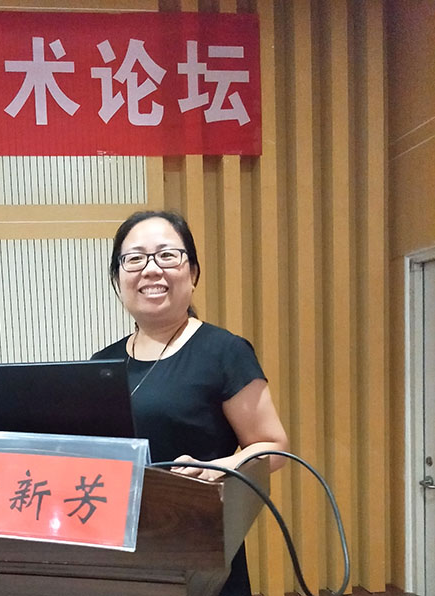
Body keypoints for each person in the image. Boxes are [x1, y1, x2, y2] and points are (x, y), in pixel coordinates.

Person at [91, 210, 288, 596]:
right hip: (120, 553)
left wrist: (223, 467)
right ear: (117, 279)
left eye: (167, 255)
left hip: (200, 547)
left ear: (193, 273)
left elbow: (275, 447)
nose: (151, 270)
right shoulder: (102, 363)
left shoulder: (225, 352)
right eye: (135, 258)